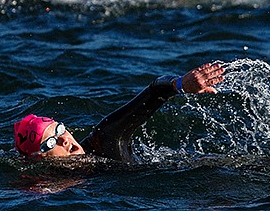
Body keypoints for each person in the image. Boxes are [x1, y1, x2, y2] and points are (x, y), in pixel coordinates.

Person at [13, 62, 225, 162]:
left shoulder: (105, 140)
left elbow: (154, 91)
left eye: (59, 130)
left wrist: (179, 85)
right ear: (38, 159)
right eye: (50, 143)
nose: (64, 141)